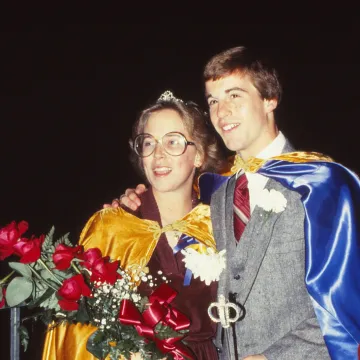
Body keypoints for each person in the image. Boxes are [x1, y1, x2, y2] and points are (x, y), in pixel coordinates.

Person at [116, 46, 360, 360]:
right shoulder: (219, 192)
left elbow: (347, 300)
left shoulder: (321, 185)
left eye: (234, 96)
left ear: (270, 99)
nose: (221, 112)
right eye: (213, 100)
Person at [42, 91, 228, 360]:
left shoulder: (219, 224)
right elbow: (76, 331)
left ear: (198, 154)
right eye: (149, 143)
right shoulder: (113, 227)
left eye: (173, 142)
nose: (159, 155)